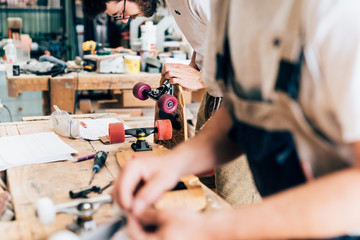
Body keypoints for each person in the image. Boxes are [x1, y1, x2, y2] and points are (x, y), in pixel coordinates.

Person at [111, 0, 360, 239]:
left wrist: (211, 229)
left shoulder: (339, 13)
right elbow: (241, 108)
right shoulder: (228, 7)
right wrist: (172, 164)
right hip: (286, 219)